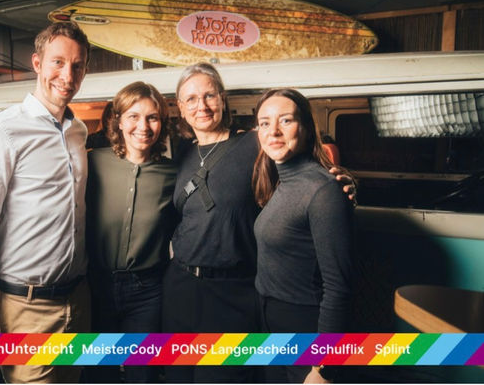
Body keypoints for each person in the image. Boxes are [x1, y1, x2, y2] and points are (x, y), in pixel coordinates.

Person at [162, 63, 355, 383]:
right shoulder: (180, 154)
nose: (202, 106)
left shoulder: (255, 144)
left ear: (223, 99)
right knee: (176, 377)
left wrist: (341, 183)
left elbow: (301, 167)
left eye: (209, 95)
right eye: (191, 99)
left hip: (233, 291)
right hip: (180, 285)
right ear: (180, 108)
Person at [0, 21, 90, 384]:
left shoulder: (79, 132)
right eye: (58, 62)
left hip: (78, 302)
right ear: (36, 63)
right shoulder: (1, 132)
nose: (68, 75)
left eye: (77, 65)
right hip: (23, 310)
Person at [252, 89, 354, 383]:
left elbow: (338, 288)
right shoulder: (280, 180)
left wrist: (323, 367)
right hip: (271, 324)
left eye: (286, 120)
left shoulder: (324, 191)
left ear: (307, 128)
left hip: (305, 329)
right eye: (265, 123)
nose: (274, 131)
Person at [85, 82, 177, 383]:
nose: (143, 126)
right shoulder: (91, 162)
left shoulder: (174, 173)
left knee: (143, 374)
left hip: (147, 291)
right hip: (95, 287)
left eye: (152, 118)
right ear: (119, 121)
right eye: (134, 116)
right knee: (99, 375)